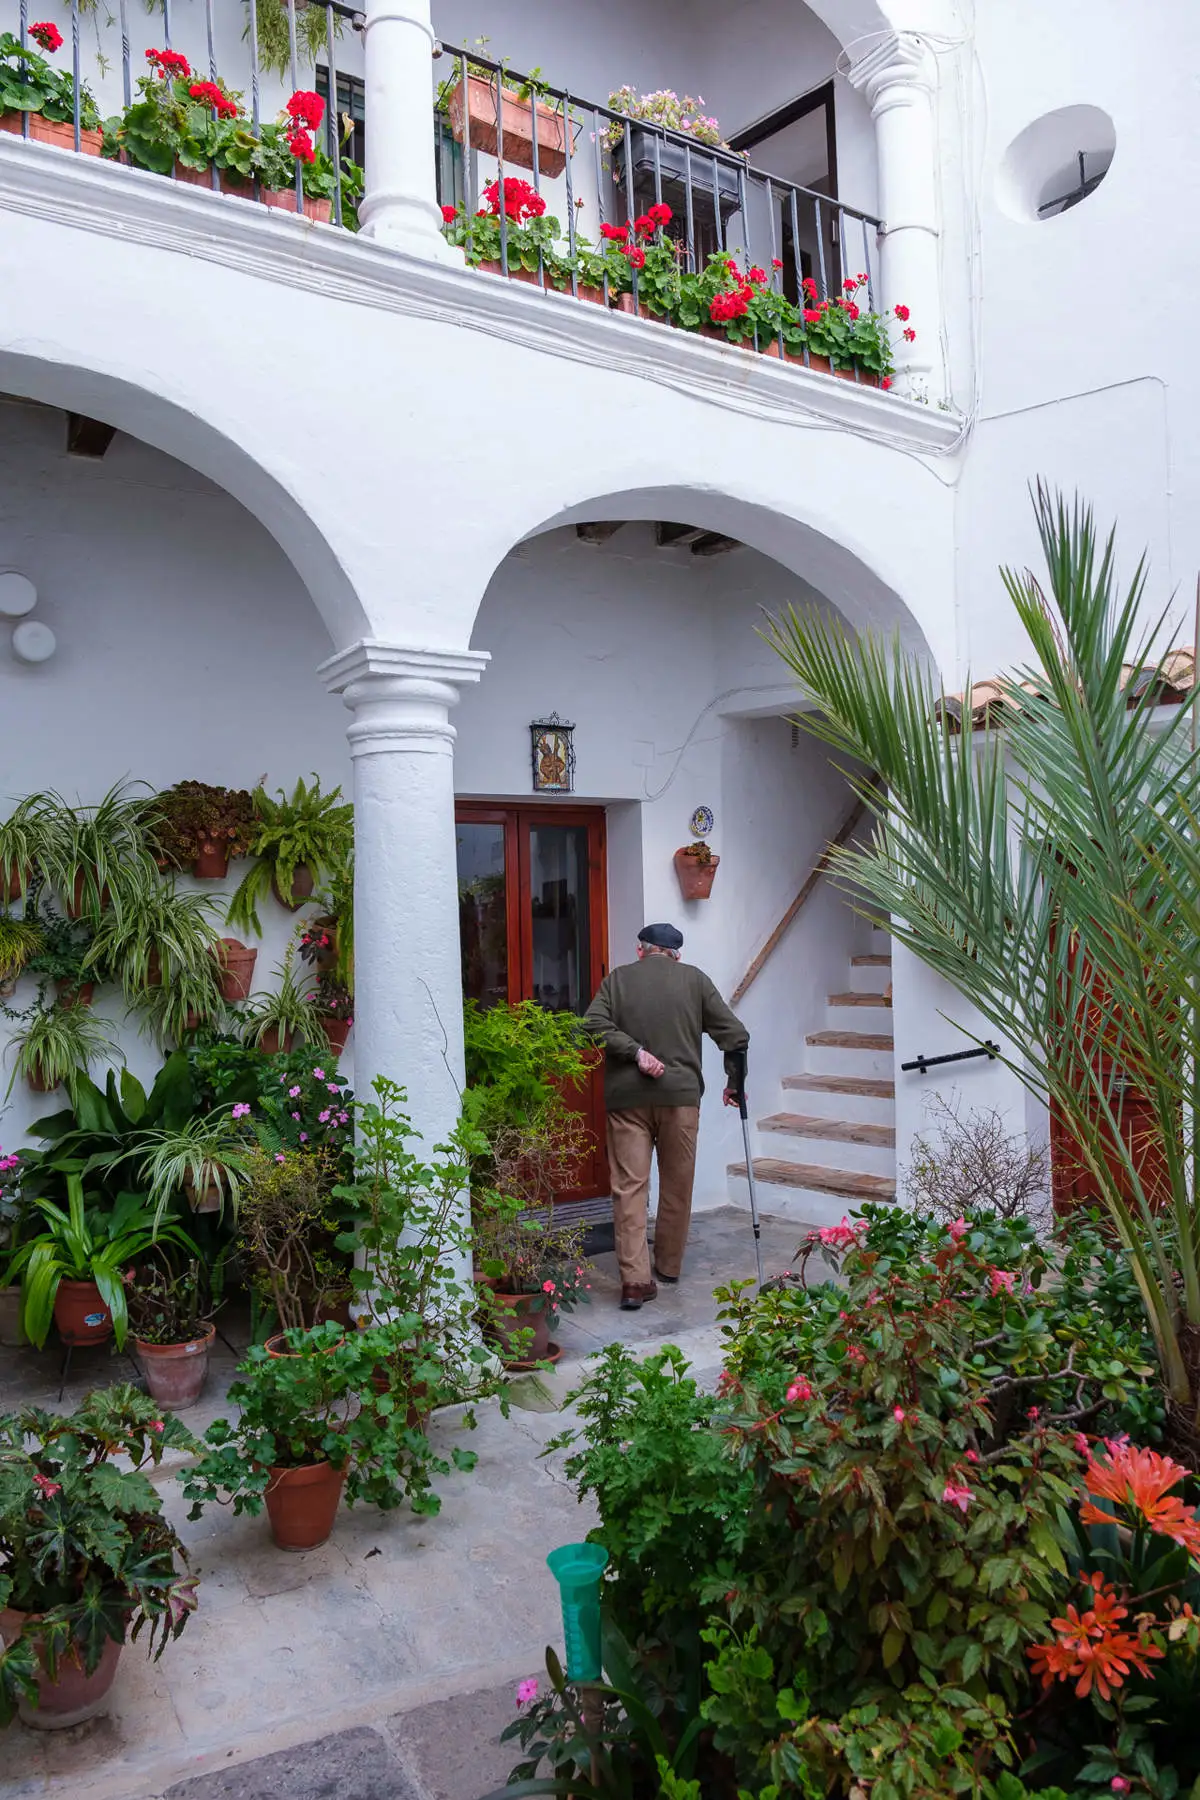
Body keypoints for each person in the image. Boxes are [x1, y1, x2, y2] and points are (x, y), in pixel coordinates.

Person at [584, 923, 749, 1310]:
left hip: (627, 1101)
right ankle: (669, 1266)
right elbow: (735, 1036)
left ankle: (635, 1282)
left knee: (629, 1188)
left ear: (641, 950)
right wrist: (734, 1083)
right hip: (680, 1098)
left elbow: (592, 1025)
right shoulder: (695, 981)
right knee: (677, 1184)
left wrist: (634, 1051)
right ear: (676, 954)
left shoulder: (617, 980)